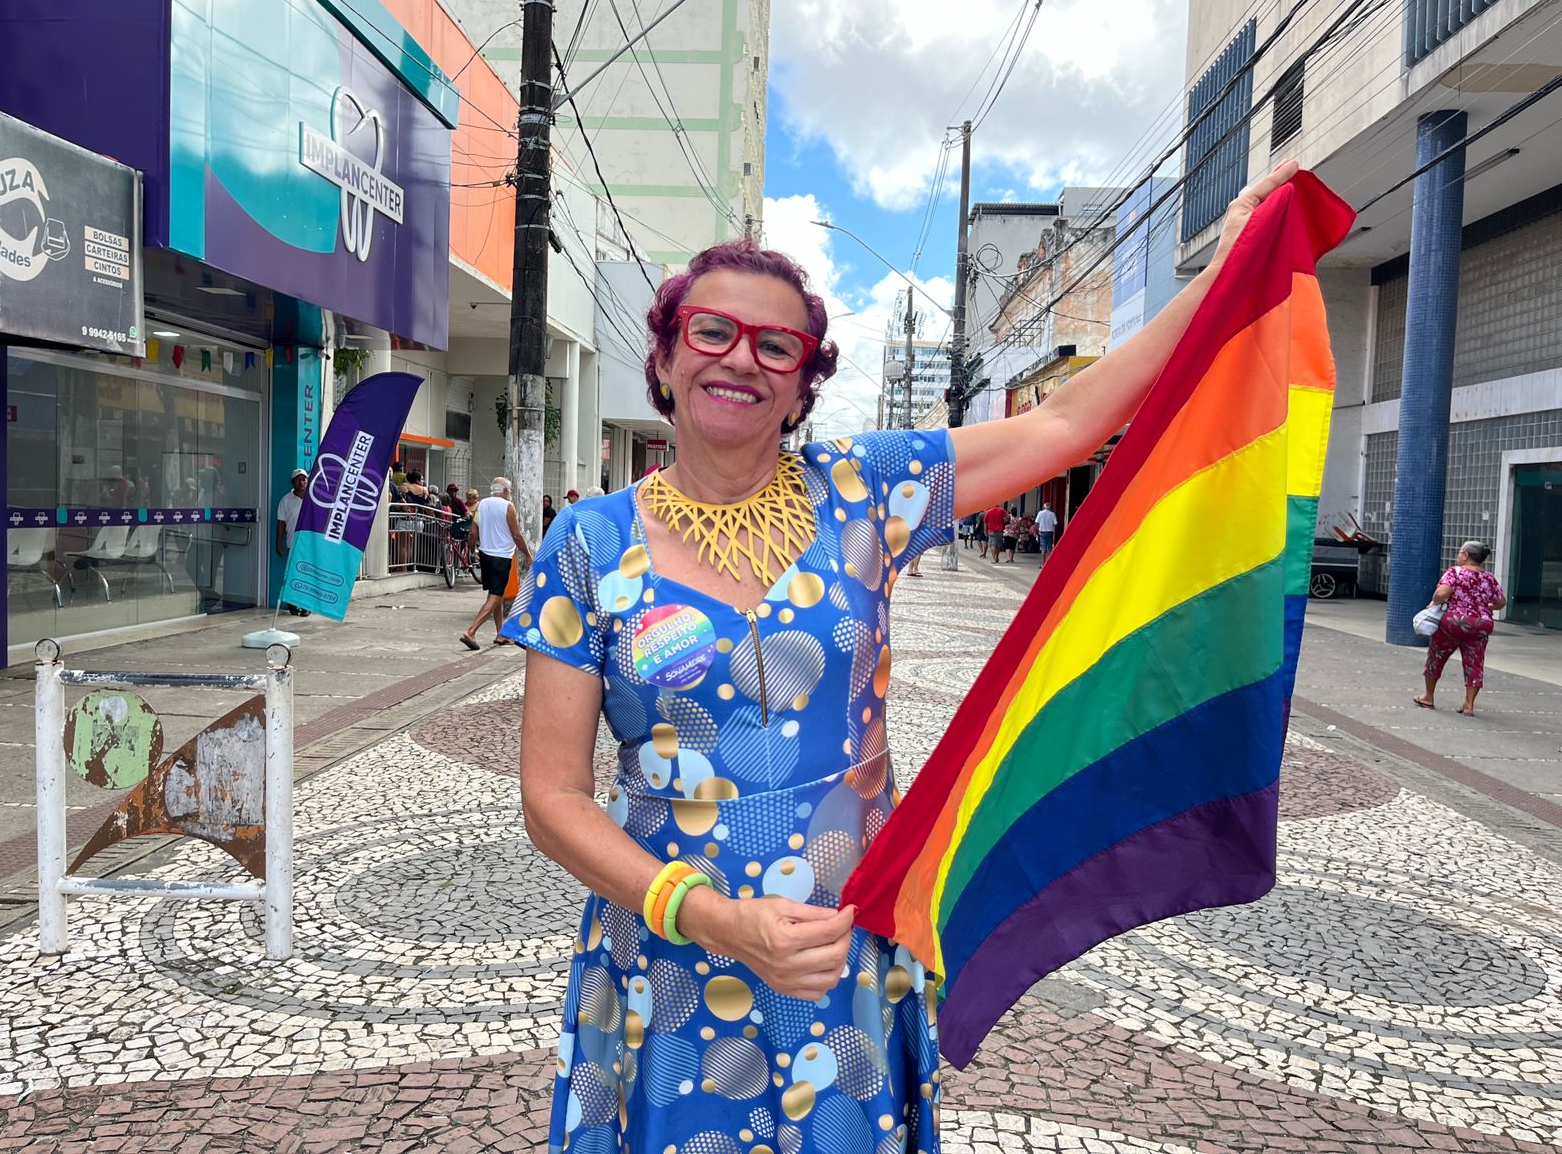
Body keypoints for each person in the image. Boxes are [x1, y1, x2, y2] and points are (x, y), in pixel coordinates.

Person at [502, 161, 1293, 1154]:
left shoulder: (866, 491)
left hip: (844, 950)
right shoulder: (585, 542)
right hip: (663, 959)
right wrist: (704, 916)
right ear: (664, 360)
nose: (739, 359)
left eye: (775, 345)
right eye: (711, 331)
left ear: (802, 384)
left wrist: (1221, 276)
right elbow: (552, 798)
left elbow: (1066, 420)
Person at [1414, 540, 1507, 716]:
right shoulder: (1489, 578)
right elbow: (1501, 602)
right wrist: (1485, 607)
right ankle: (1469, 705)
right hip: (1481, 625)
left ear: (1465, 555)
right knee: (1475, 664)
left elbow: (1441, 593)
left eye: (1459, 552)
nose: (1458, 555)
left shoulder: (1455, 573)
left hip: (1455, 622)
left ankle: (1428, 696)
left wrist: (1435, 602)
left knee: (1437, 656)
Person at [460, 477, 531, 650]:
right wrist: (527, 554)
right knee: (494, 596)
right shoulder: (508, 507)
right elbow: (516, 534)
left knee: (496, 594)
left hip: (486, 555)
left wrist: (471, 549)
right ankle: (471, 631)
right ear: (505, 491)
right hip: (502, 557)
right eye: (511, 489)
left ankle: (501, 633)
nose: (511, 492)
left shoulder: (482, 505)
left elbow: (473, 531)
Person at [274, 469, 311, 617]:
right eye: (298, 479)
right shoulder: (286, 500)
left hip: (310, 544)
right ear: (292, 482)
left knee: (307, 575)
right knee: (293, 575)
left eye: (304, 479)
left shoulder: (314, 498)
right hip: (293, 543)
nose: (301, 481)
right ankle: (292, 603)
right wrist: (278, 542)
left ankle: (306, 605)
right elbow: (281, 523)